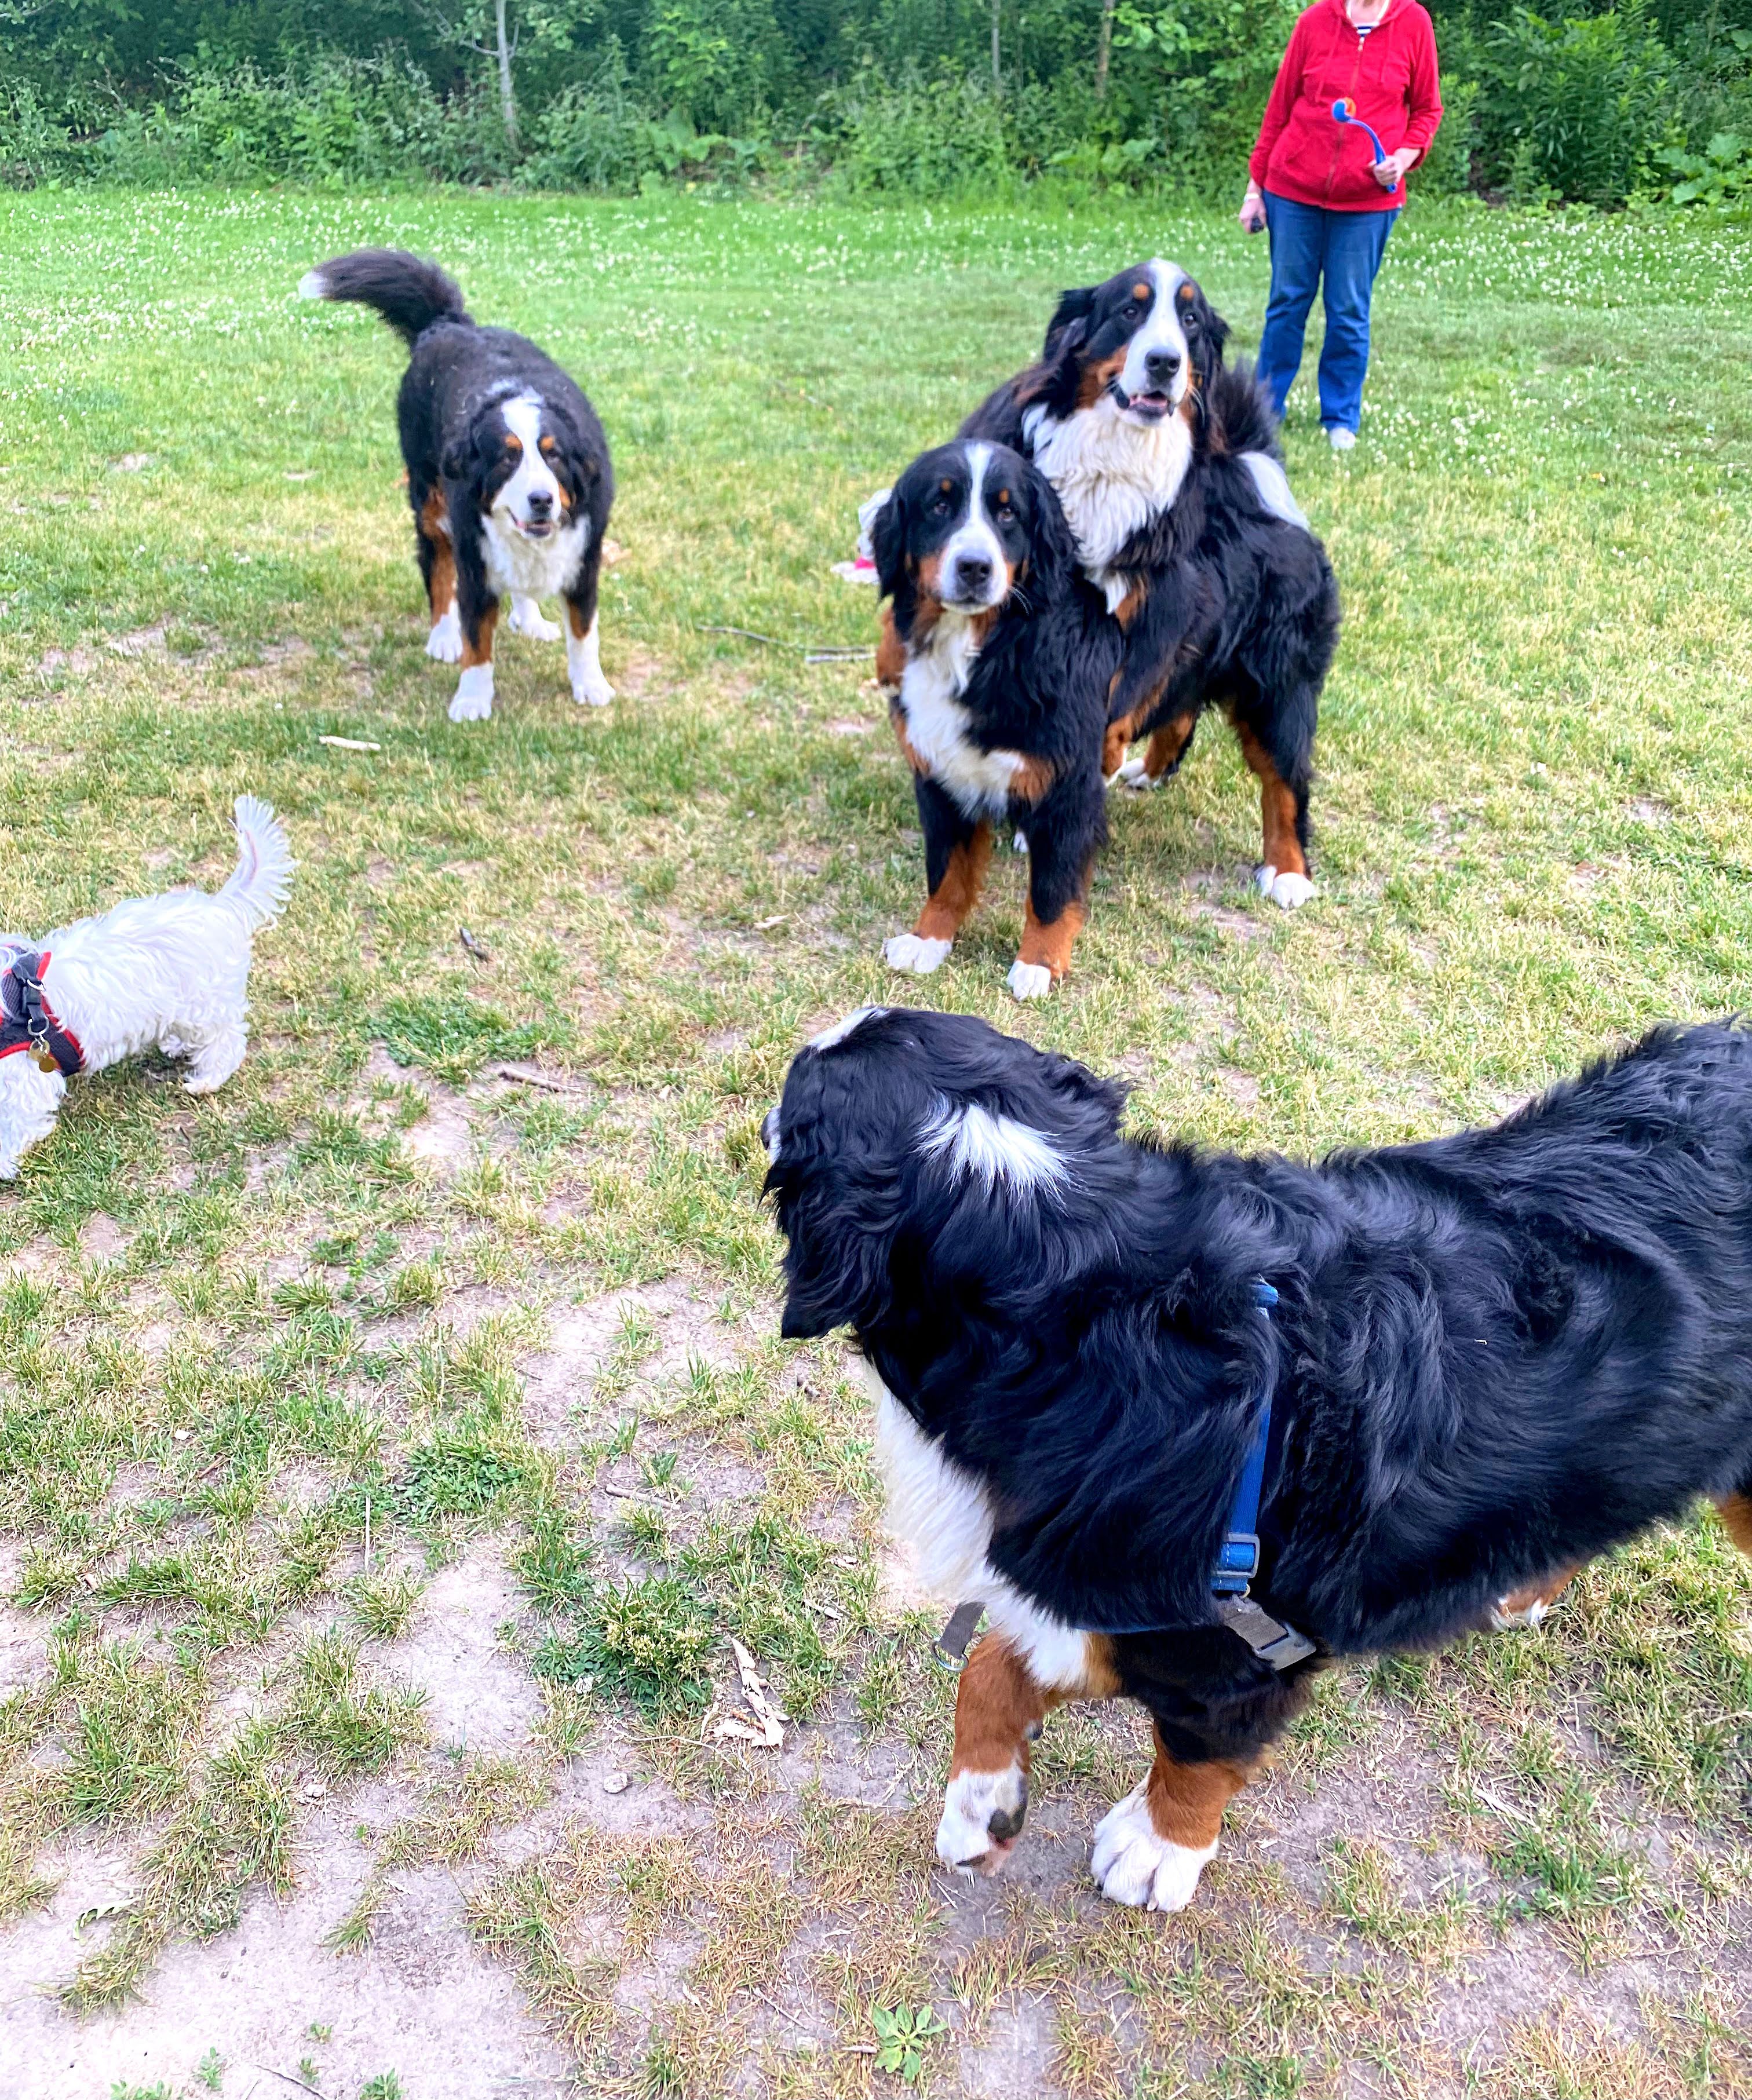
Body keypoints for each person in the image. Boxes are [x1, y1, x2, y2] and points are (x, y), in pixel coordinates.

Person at [1240, 0, 1442, 449]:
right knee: (1287, 303)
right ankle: (1264, 410)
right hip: (1293, 191)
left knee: (1349, 311)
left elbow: (1428, 112)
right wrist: (1256, 190)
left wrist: (1403, 160)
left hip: (1369, 201)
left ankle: (1340, 419)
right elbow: (1278, 110)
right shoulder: (1315, 20)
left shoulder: (1413, 23)